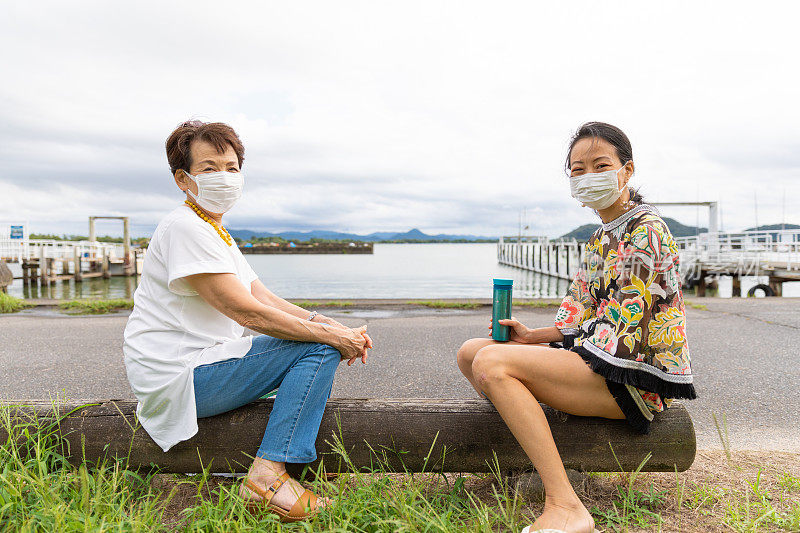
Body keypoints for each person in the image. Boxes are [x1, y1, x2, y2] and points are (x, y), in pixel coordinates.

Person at [123, 120, 372, 522]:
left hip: (203, 363)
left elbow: (262, 295)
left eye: (232, 166)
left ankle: (283, 466)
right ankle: (268, 477)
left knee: (319, 339)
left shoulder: (214, 229)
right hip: (180, 376)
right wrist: (328, 336)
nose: (224, 176)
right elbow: (245, 311)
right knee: (315, 347)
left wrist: (330, 324)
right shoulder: (186, 227)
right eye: (209, 168)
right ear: (183, 179)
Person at [457, 122, 696, 533]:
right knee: (470, 351)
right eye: (577, 170)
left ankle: (565, 504)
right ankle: (536, 443)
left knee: (493, 363)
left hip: (634, 377)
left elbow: (625, 317)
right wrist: (533, 339)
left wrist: (541, 358)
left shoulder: (646, 232)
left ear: (627, 169)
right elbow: (583, 309)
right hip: (600, 359)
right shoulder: (601, 237)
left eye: (600, 165)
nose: (588, 178)